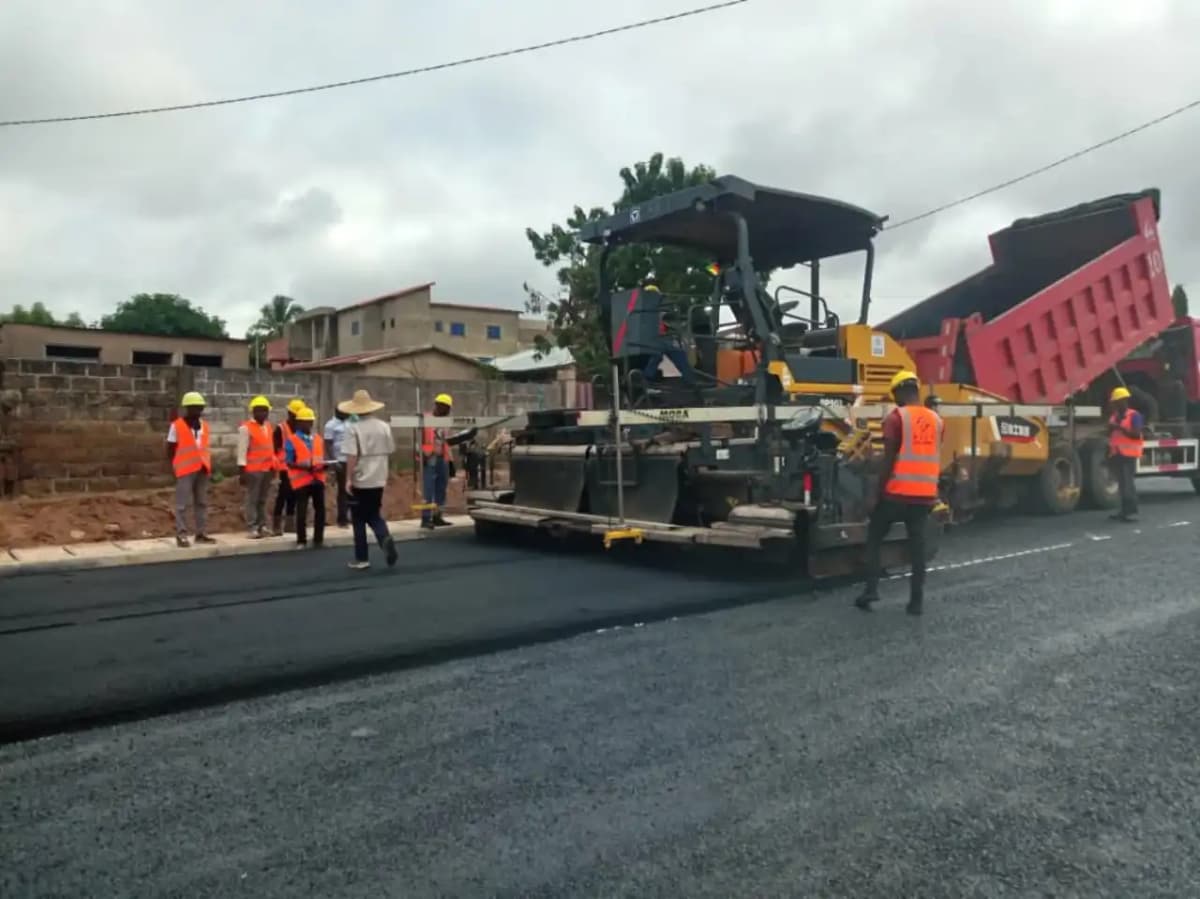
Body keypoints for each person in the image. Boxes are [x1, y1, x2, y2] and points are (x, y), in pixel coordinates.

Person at [855, 370, 943, 616]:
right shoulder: (937, 420)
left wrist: (875, 494)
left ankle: (871, 590)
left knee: (874, 538)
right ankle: (916, 602)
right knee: (918, 549)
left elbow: (888, 460)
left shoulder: (896, 418)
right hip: (924, 496)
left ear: (900, 392)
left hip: (896, 494)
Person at [340, 389, 399, 570]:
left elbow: (351, 456)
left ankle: (362, 558)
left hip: (361, 478)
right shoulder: (383, 426)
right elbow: (390, 450)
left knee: (358, 518)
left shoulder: (353, 428)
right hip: (378, 477)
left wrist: (348, 479)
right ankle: (384, 537)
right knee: (373, 513)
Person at [166, 391, 215, 548]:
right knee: (182, 504)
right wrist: (174, 466)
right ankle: (181, 535)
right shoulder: (177, 425)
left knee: (201, 502)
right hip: (185, 469)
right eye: (194, 407)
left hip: (202, 469)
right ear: (187, 408)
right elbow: (170, 448)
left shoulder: (205, 426)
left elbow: (204, 447)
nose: (197, 411)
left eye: (200, 408)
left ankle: (200, 533)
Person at [285, 406, 327, 548]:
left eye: (311, 421)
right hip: (302, 480)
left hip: (318, 478)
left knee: (320, 510)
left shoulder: (318, 439)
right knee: (302, 510)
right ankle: (301, 540)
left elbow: (321, 457)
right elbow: (289, 462)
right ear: (299, 423)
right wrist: (305, 467)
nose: (309, 424)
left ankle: (318, 539)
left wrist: (325, 465)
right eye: (306, 421)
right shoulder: (292, 440)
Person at [237, 395, 276, 538]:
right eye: (259, 411)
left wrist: (272, 466)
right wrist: (242, 472)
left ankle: (262, 525)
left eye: (265, 411)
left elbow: (269, 448)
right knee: (252, 499)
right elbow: (242, 451)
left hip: (267, 468)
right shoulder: (245, 428)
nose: (263, 414)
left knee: (263, 499)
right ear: (253, 412)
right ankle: (252, 526)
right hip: (253, 470)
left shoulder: (268, 426)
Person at [1107, 385, 1144, 522]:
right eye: (1114, 402)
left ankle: (1131, 512)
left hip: (1129, 454)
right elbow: (1111, 435)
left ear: (1124, 400)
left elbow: (1135, 434)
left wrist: (1118, 427)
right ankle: (1124, 511)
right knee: (1122, 484)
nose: (1115, 404)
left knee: (1128, 483)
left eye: (1117, 401)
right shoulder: (1114, 417)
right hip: (1117, 454)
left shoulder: (1134, 415)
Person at [421, 393, 456, 529]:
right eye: (444, 407)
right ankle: (425, 518)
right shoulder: (426, 419)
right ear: (438, 405)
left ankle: (437, 516)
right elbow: (421, 439)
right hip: (430, 457)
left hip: (443, 458)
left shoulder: (446, 422)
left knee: (441, 489)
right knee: (428, 489)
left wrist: (451, 461)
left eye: (448, 408)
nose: (446, 410)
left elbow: (447, 442)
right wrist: (423, 455)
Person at [272, 398, 304, 536]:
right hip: (285, 466)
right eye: (295, 415)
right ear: (289, 414)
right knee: (282, 495)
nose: (297, 418)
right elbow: (275, 448)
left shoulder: (301, 428)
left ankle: (290, 524)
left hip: (297, 467)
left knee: (294, 496)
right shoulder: (281, 428)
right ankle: (276, 525)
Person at [323, 406, 351, 527]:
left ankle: (351, 516)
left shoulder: (350, 423)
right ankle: (342, 519)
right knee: (343, 490)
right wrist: (334, 462)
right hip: (340, 460)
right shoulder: (330, 425)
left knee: (352, 489)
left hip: (351, 460)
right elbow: (328, 444)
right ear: (338, 412)